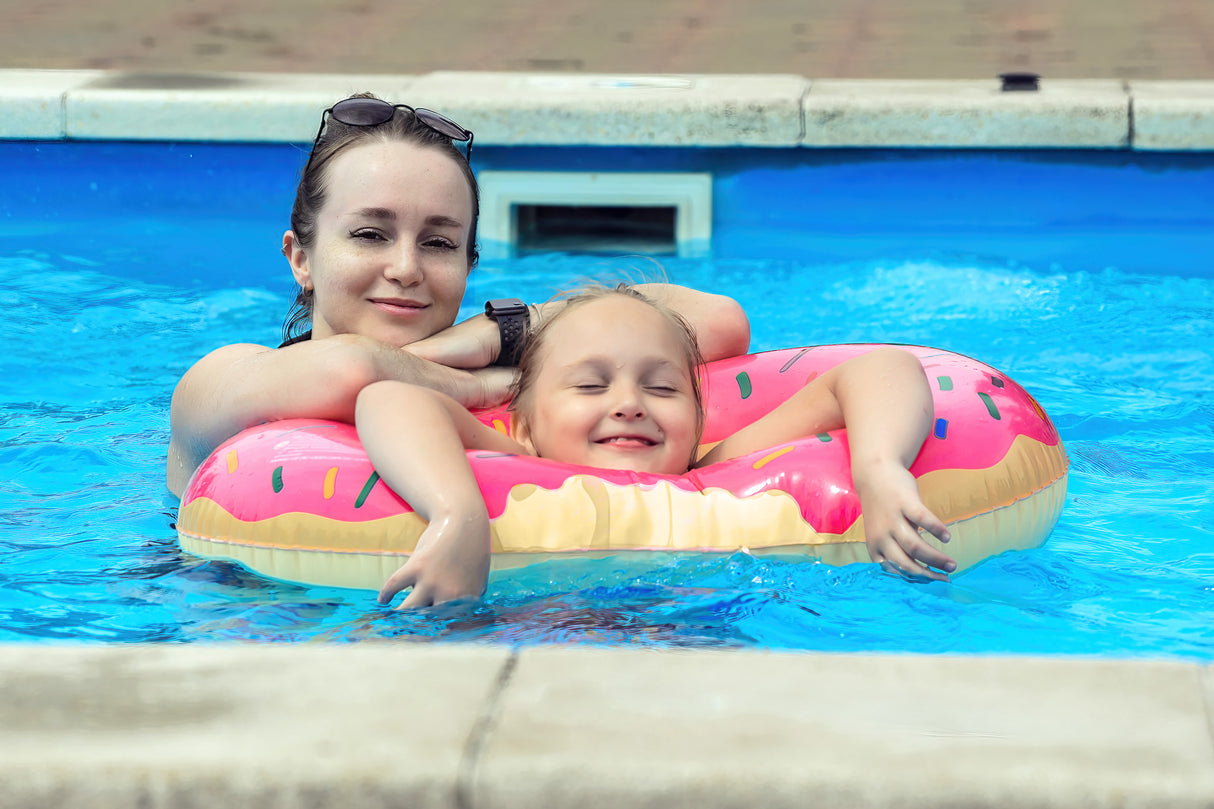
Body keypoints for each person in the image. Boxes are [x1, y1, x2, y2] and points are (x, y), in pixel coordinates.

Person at [166, 94, 750, 498]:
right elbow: (345, 371)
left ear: (469, 264)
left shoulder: (501, 355)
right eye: (370, 235)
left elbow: (717, 320)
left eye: (439, 243)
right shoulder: (221, 381)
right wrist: (475, 385)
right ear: (301, 257)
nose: (406, 268)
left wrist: (505, 331)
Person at [356, 284, 957, 609]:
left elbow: (881, 368)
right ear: (525, 425)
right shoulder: (520, 462)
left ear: (697, 424)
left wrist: (880, 467)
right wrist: (456, 511)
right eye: (590, 385)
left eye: (662, 387)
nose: (629, 403)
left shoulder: (714, 472)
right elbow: (390, 400)